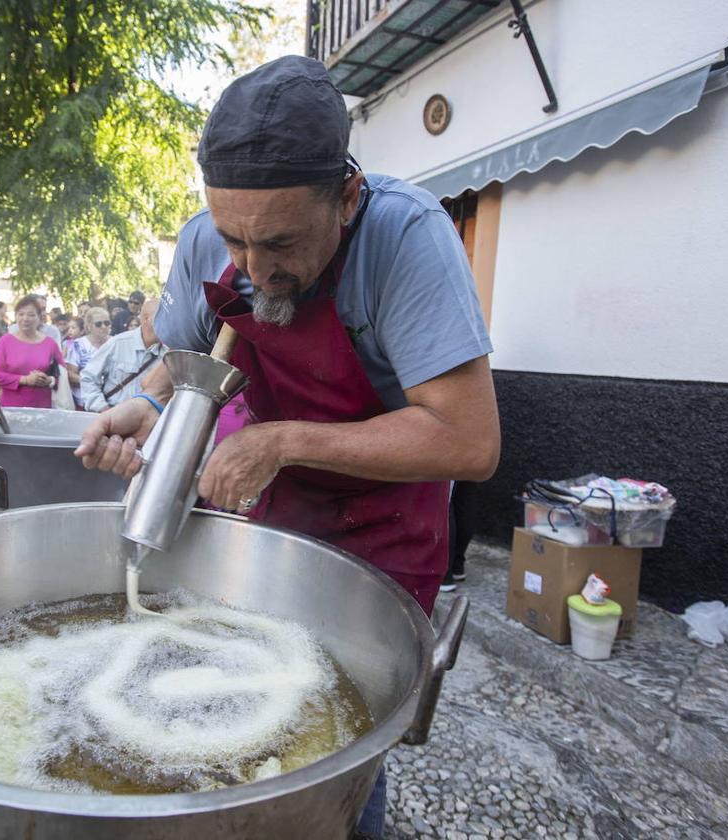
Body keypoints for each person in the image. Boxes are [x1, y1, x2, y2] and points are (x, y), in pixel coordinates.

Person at [74, 56, 499, 836]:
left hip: (381, 528)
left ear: (345, 195)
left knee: (339, 729)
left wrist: (284, 440)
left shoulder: (405, 238)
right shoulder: (212, 240)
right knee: (244, 695)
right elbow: (185, 359)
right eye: (234, 239)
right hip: (269, 516)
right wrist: (143, 401)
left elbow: (469, 440)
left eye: (280, 243)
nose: (255, 268)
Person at [80, 299, 163, 412]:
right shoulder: (118, 344)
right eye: (164, 319)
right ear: (146, 319)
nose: (169, 324)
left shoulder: (169, 354)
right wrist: (103, 409)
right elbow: (88, 378)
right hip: (112, 418)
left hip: (147, 423)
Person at [0, 294, 65, 408]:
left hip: (43, 408)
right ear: (16, 317)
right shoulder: (5, 341)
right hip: (11, 407)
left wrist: (50, 380)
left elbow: (62, 374)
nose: (25, 319)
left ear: (40, 318)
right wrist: (24, 380)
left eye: (31, 315)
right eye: (21, 314)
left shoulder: (50, 344)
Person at [64, 307, 111, 410]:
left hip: (111, 401)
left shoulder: (115, 343)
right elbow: (71, 374)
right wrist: (92, 383)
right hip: (84, 402)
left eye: (107, 323)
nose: (103, 326)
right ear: (89, 327)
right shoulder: (78, 345)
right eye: (98, 324)